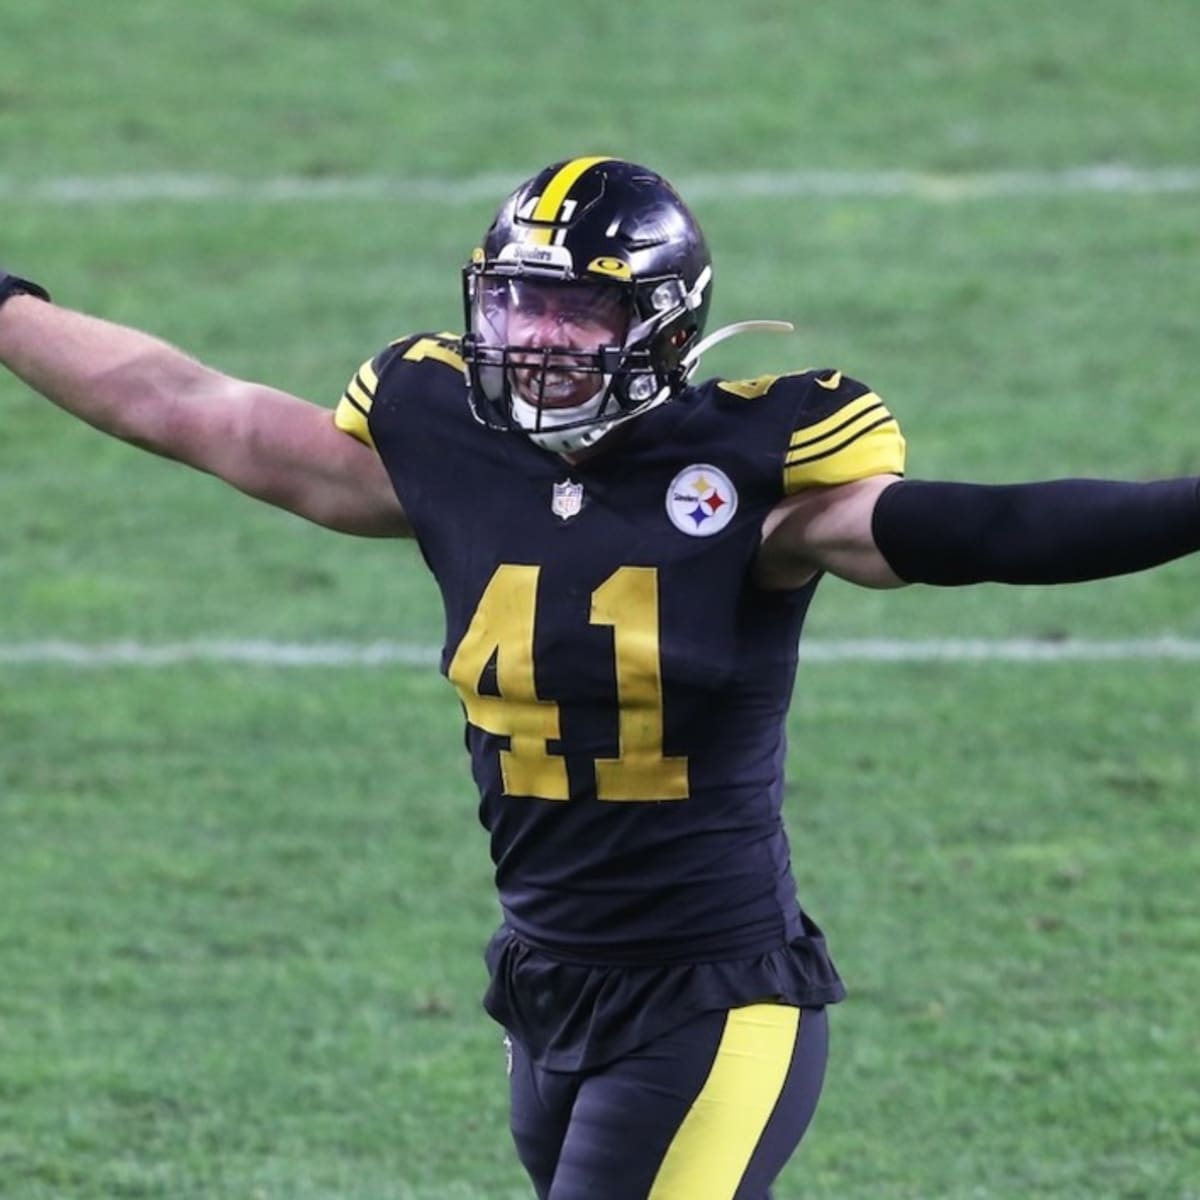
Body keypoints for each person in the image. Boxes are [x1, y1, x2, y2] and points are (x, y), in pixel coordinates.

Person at [2, 155, 1197, 1200]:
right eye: (515, 302)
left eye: (575, 310)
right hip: (544, 984)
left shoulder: (753, 481)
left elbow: (985, 534)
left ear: (665, 326)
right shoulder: (449, 451)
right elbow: (193, 407)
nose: (535, 337)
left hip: (710, 996)